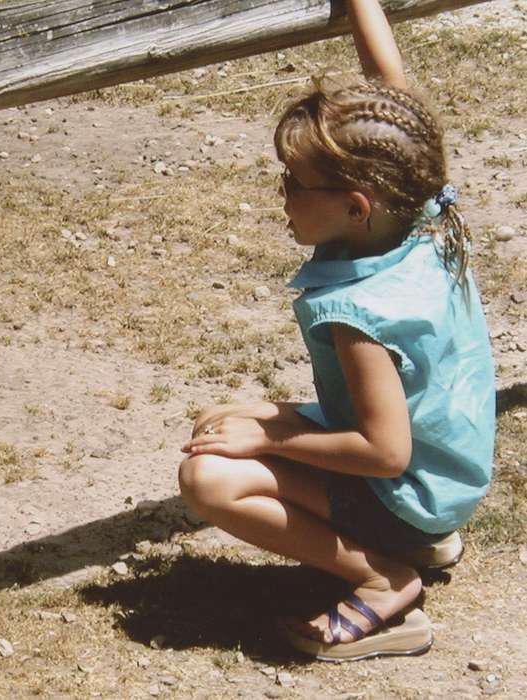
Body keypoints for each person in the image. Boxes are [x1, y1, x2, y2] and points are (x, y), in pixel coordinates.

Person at [177, 0, 495, 662]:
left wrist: (271, 434)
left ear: (354, 206)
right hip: (448, 467)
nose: (282, 193)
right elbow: (390, 91)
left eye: (295, 183)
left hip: (405, 484)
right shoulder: (420, 209)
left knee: (209, 478)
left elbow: (383, 454)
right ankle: (417, 542)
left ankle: (382, 576)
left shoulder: (357, 312)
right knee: (223, 417)